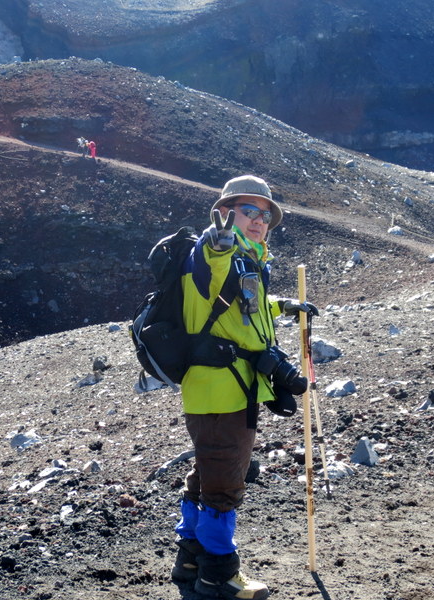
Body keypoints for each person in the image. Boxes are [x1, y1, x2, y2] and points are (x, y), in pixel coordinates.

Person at [171, 175, 318, 600]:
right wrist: (217, 243)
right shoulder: (213, 253)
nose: (258, 220)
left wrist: (283, 306)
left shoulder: (248, 261)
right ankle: (220, 577)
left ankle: (192, 561)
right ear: (226, 212)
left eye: (265, 213)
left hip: (230, 389)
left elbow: (244, 307)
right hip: (221, 390)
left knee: (208, 474)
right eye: (248, 211)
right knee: (224, 483)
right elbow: (213, 265)